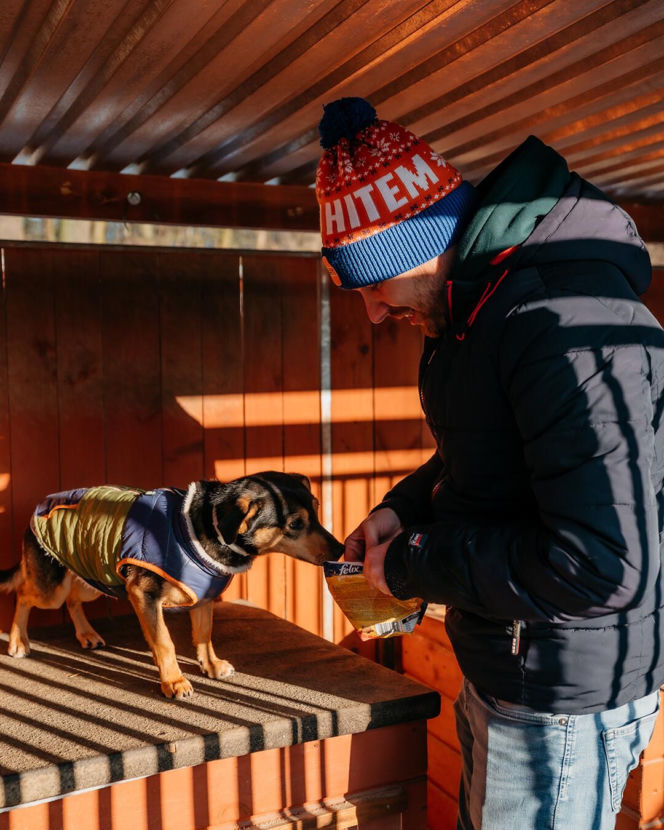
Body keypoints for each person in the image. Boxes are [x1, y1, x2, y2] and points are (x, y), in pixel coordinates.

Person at [315, 96, 664, 829]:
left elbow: (602, 563)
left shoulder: (558, 324)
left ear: (418, 244)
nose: (373, 314)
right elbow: (488, 455)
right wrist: (402, 511)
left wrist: (411, 560)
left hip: (559, 692)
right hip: (508, 661)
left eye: (373, 285)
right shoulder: (473, 311)